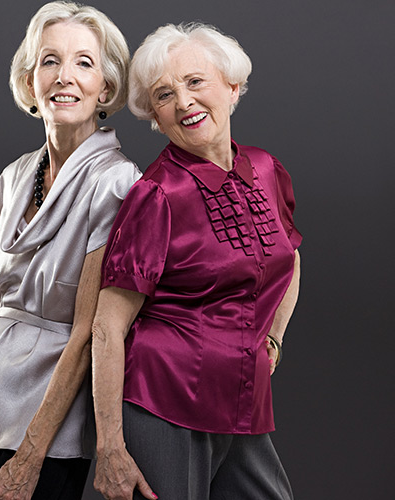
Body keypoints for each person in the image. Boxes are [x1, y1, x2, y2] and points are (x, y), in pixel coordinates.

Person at [91, 23, 301, 500]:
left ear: (232, 88)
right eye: (164, 95)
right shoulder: (156, 194)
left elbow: (290, 258)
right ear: (156, 117)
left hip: (243, 398)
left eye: (195, 82)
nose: (183, 102)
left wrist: (272, 336)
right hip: (163, 400)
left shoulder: (266, 169)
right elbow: (107, 326)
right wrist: (110, 449)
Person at [0, 3, 141, 499]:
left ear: (106, 86)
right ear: (30, 80)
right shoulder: (15, 175)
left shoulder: (117, 182)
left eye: (84, 62)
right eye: (49, 60)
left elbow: (88, 331)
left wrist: (30, 457)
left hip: (50, 427)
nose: (65, 76)